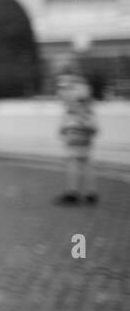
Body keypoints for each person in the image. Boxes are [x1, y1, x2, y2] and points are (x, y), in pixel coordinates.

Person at [55, 63, 99, 205]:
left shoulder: (71, 88)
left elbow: (72, 108)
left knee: (73, 160)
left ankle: (72, 193)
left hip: (76, 128)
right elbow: (87, 108)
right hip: (87, 127)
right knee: (85, 160)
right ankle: (91, 193)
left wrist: (64, 126)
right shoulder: (85, 88)